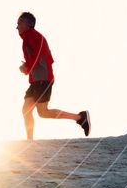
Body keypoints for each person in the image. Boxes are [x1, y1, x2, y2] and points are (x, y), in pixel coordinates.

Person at [16, 11, 90, 141]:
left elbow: (38, 56)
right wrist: (26, 67)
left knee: (43, 112)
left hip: (44, 79)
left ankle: (80, 117)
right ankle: (29, 141)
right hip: (35, 81)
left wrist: (27, 68)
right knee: (26, 110)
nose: (17, 26)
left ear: (28, 24)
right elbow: (34, 58)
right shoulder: (27, 39)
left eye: (20, 22)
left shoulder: (35, 36)